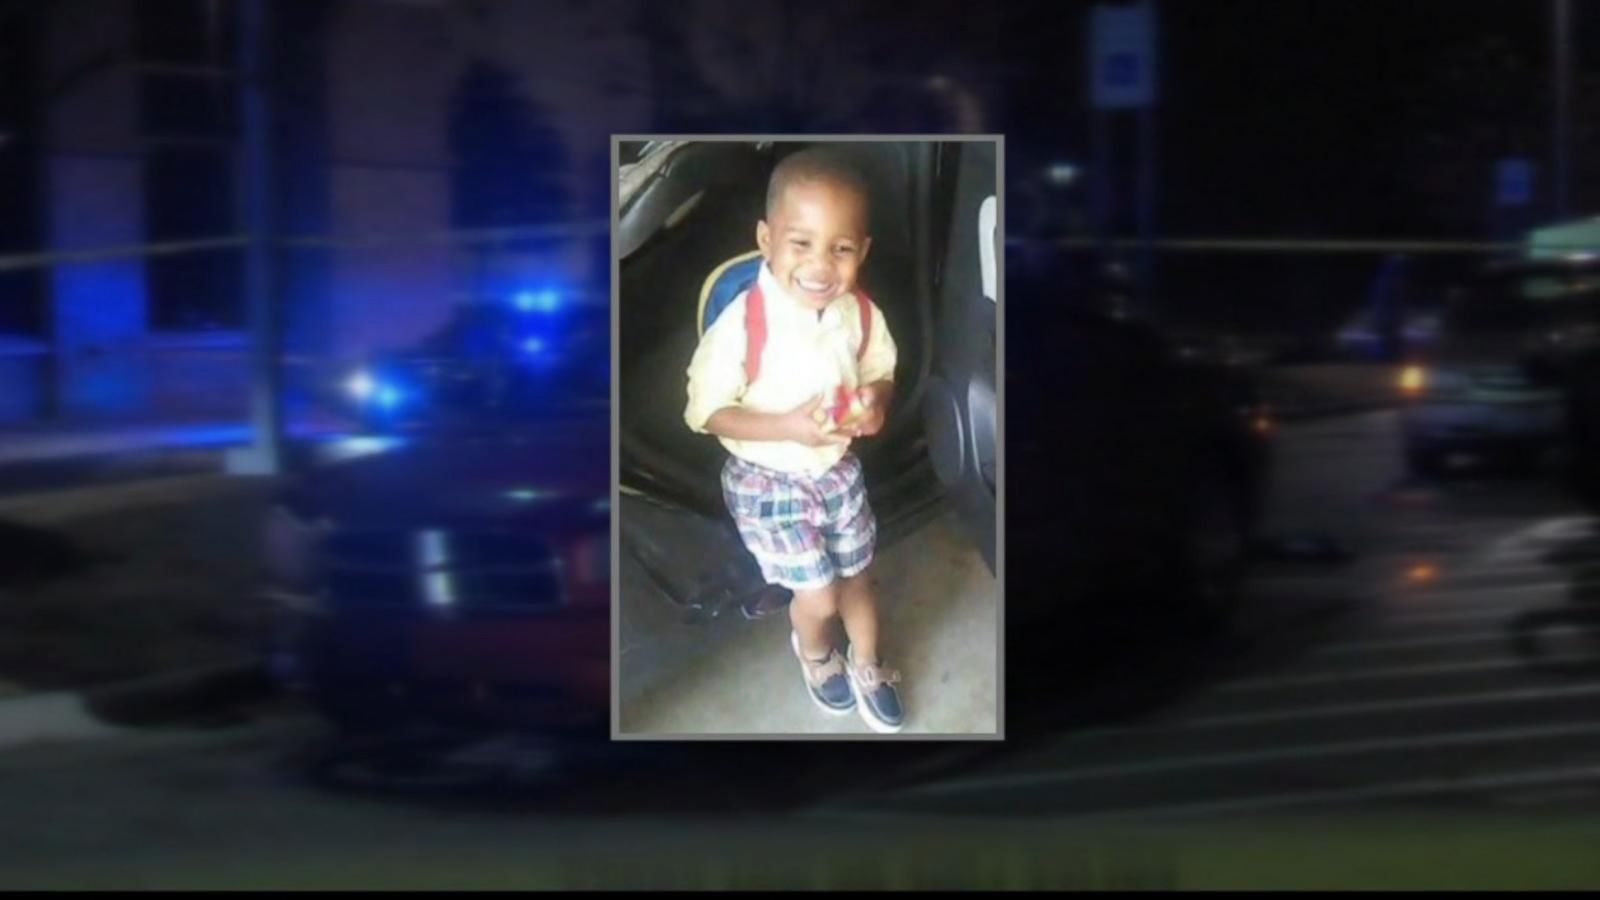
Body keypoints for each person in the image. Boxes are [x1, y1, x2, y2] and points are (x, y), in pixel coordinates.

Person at [683, 148, 904, 733]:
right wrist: (788, 427)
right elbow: (707, 413)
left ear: (863, 252)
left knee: (857, 577)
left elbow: (880, 370)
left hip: (836, 471)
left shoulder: (859, 314)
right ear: (767, 239)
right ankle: (816, 652)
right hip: (767, 483)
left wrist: (874, 404)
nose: (820, 266)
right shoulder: (743, 325)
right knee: (821, 595)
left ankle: (868, 662)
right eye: (800, 243)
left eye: (841, 249)